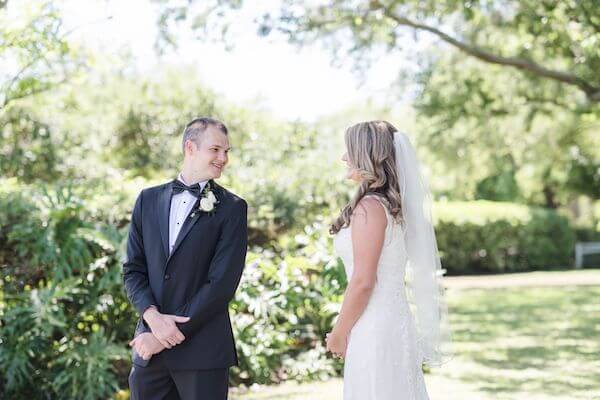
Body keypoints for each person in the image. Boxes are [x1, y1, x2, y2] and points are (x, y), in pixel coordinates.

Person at [123, 117, 248, 400]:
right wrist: (152, 318)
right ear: (190, 147)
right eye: (215, 150)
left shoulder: (232, 208)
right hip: (148, 353)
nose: (223, 158)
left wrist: (163, 336)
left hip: (202, 353)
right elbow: (133, 270)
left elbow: (221, 285)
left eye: (227, 151)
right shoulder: (147, 200)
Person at [326, 121, 452, 399]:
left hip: (374, 329)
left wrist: (338, 333)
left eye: (349, 150)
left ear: (366, 155)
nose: (344, 157)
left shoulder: (370, 208)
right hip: (391, 321)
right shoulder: (388, 206)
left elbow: (363, 282)